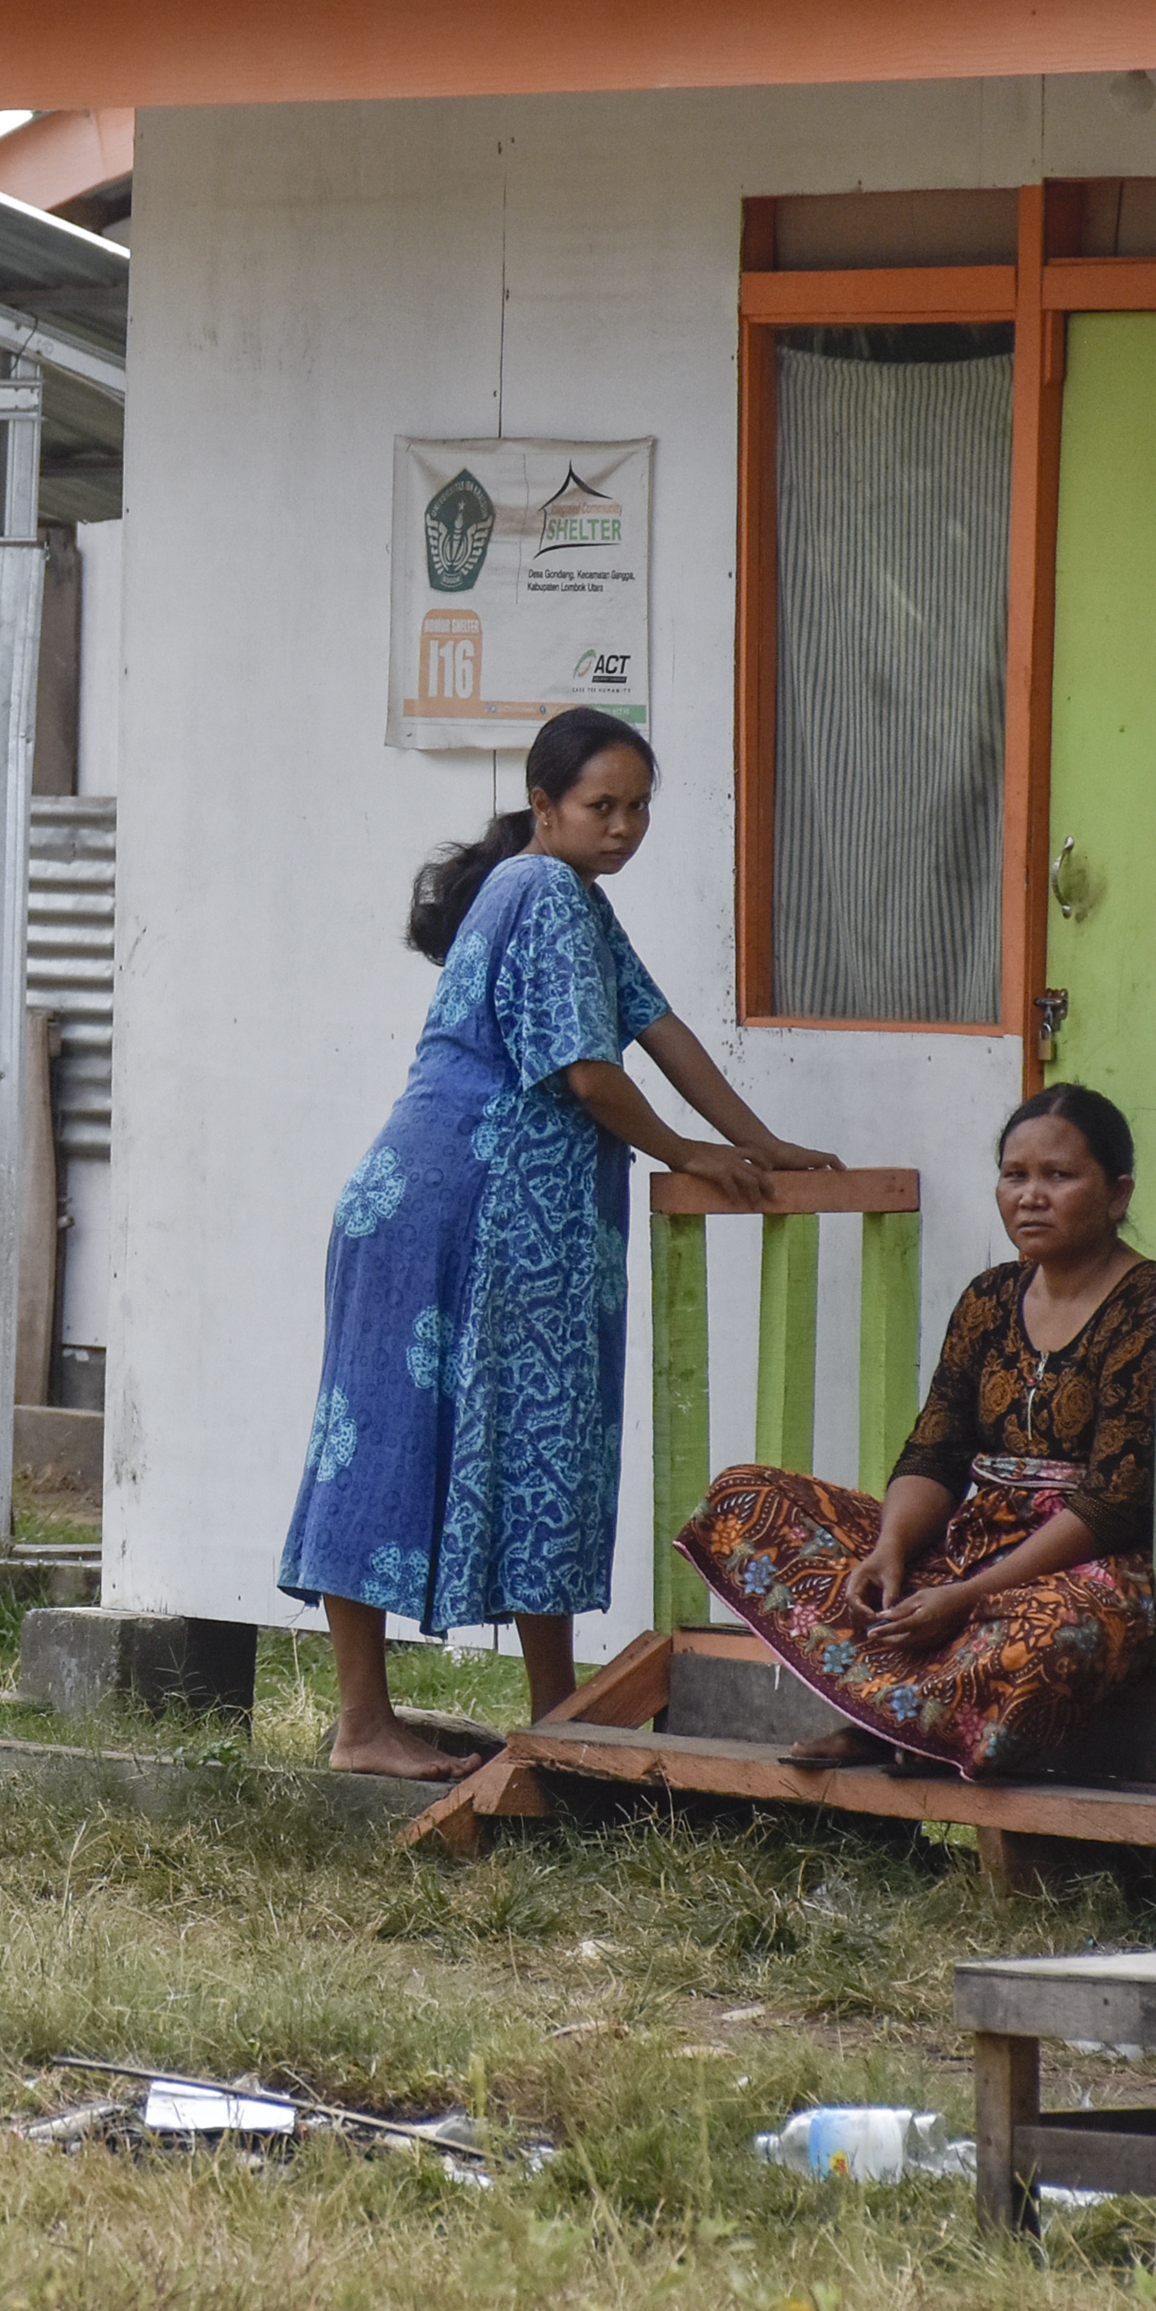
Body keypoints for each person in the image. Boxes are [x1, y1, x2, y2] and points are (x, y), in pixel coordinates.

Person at [274, 706, 840, 1779]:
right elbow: (586, 1072)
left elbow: (658, 1027)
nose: (622, 827)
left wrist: (757, 1140)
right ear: (544, 807)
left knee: (544, 1449)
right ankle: (363, 1727)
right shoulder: (537, 890)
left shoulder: (573, 898)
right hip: (446, 1209)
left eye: (637, 809)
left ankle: (557, 1709)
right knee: (385, 1447)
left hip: (517, 1224)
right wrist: (688, 1150)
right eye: (600, 806)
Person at [677, 1085, 1156, 1779]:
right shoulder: (990, 1297)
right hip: (962, 1548)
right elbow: (936, 1449)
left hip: (1075, 1569)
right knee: (743, 1497)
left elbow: (1113, 1503)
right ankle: (902, 1712)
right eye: (1014, 1175)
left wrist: (969, 1598)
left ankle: (891, 1716)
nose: (1031, 1195)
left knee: (1059, 1636)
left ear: (1117, 1195)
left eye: (1059, 1175)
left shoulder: (1145, 1305)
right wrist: (891, 1551)